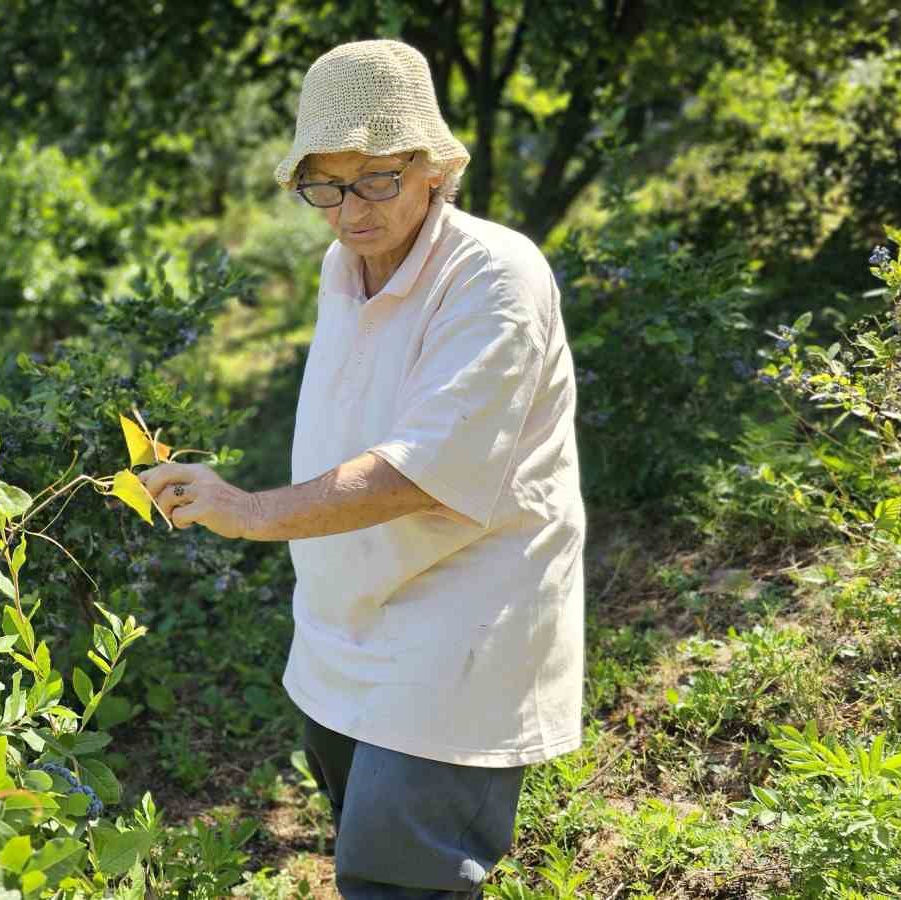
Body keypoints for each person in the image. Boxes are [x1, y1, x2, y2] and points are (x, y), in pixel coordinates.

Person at [139, 39, 587, 899]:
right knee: (365, 846)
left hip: (462, 619)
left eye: (377, 179)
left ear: (433, 168)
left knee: (397, 880)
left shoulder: (493, 273)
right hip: (344, 622)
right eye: (327, 186)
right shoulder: (339, 268)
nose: (351, 211)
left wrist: (253, 511)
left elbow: (424, 470)